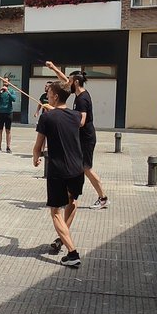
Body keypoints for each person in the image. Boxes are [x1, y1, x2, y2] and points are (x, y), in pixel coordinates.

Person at [34, 81, 84, 268]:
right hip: (77, 168)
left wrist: (35, 158)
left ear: (55, 96)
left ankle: (73, 253)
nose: (47, 95)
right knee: (73, 202)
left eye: (49, 93)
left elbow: (39, 146)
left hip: (58, 170)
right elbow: (64, 118)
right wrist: (53, 111)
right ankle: (63, 237)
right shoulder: (76, 116)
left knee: (56, 212)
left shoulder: (46, 118)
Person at [46, 61, 108, 209]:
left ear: (77, 82)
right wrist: (54, 68)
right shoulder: (79, 94)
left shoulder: (82, 99)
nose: (69, 83)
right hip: (82, 137)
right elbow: (64, 81)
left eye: (71, 81)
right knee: (80, 167)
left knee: (86, 168)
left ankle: (103, 197)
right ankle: (70, 195)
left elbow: (81, 121)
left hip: (86, 138)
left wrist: (61, 114)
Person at [0, 78, 16, 153]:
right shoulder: (0, 90)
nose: (5, 82)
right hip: (0, 112)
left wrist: (8, 92)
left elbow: (14, 99)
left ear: (9, 82)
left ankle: (8, 147)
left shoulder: (11, 91)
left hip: (8, 112)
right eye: (4, 81)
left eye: (6, 81)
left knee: (8, 130)